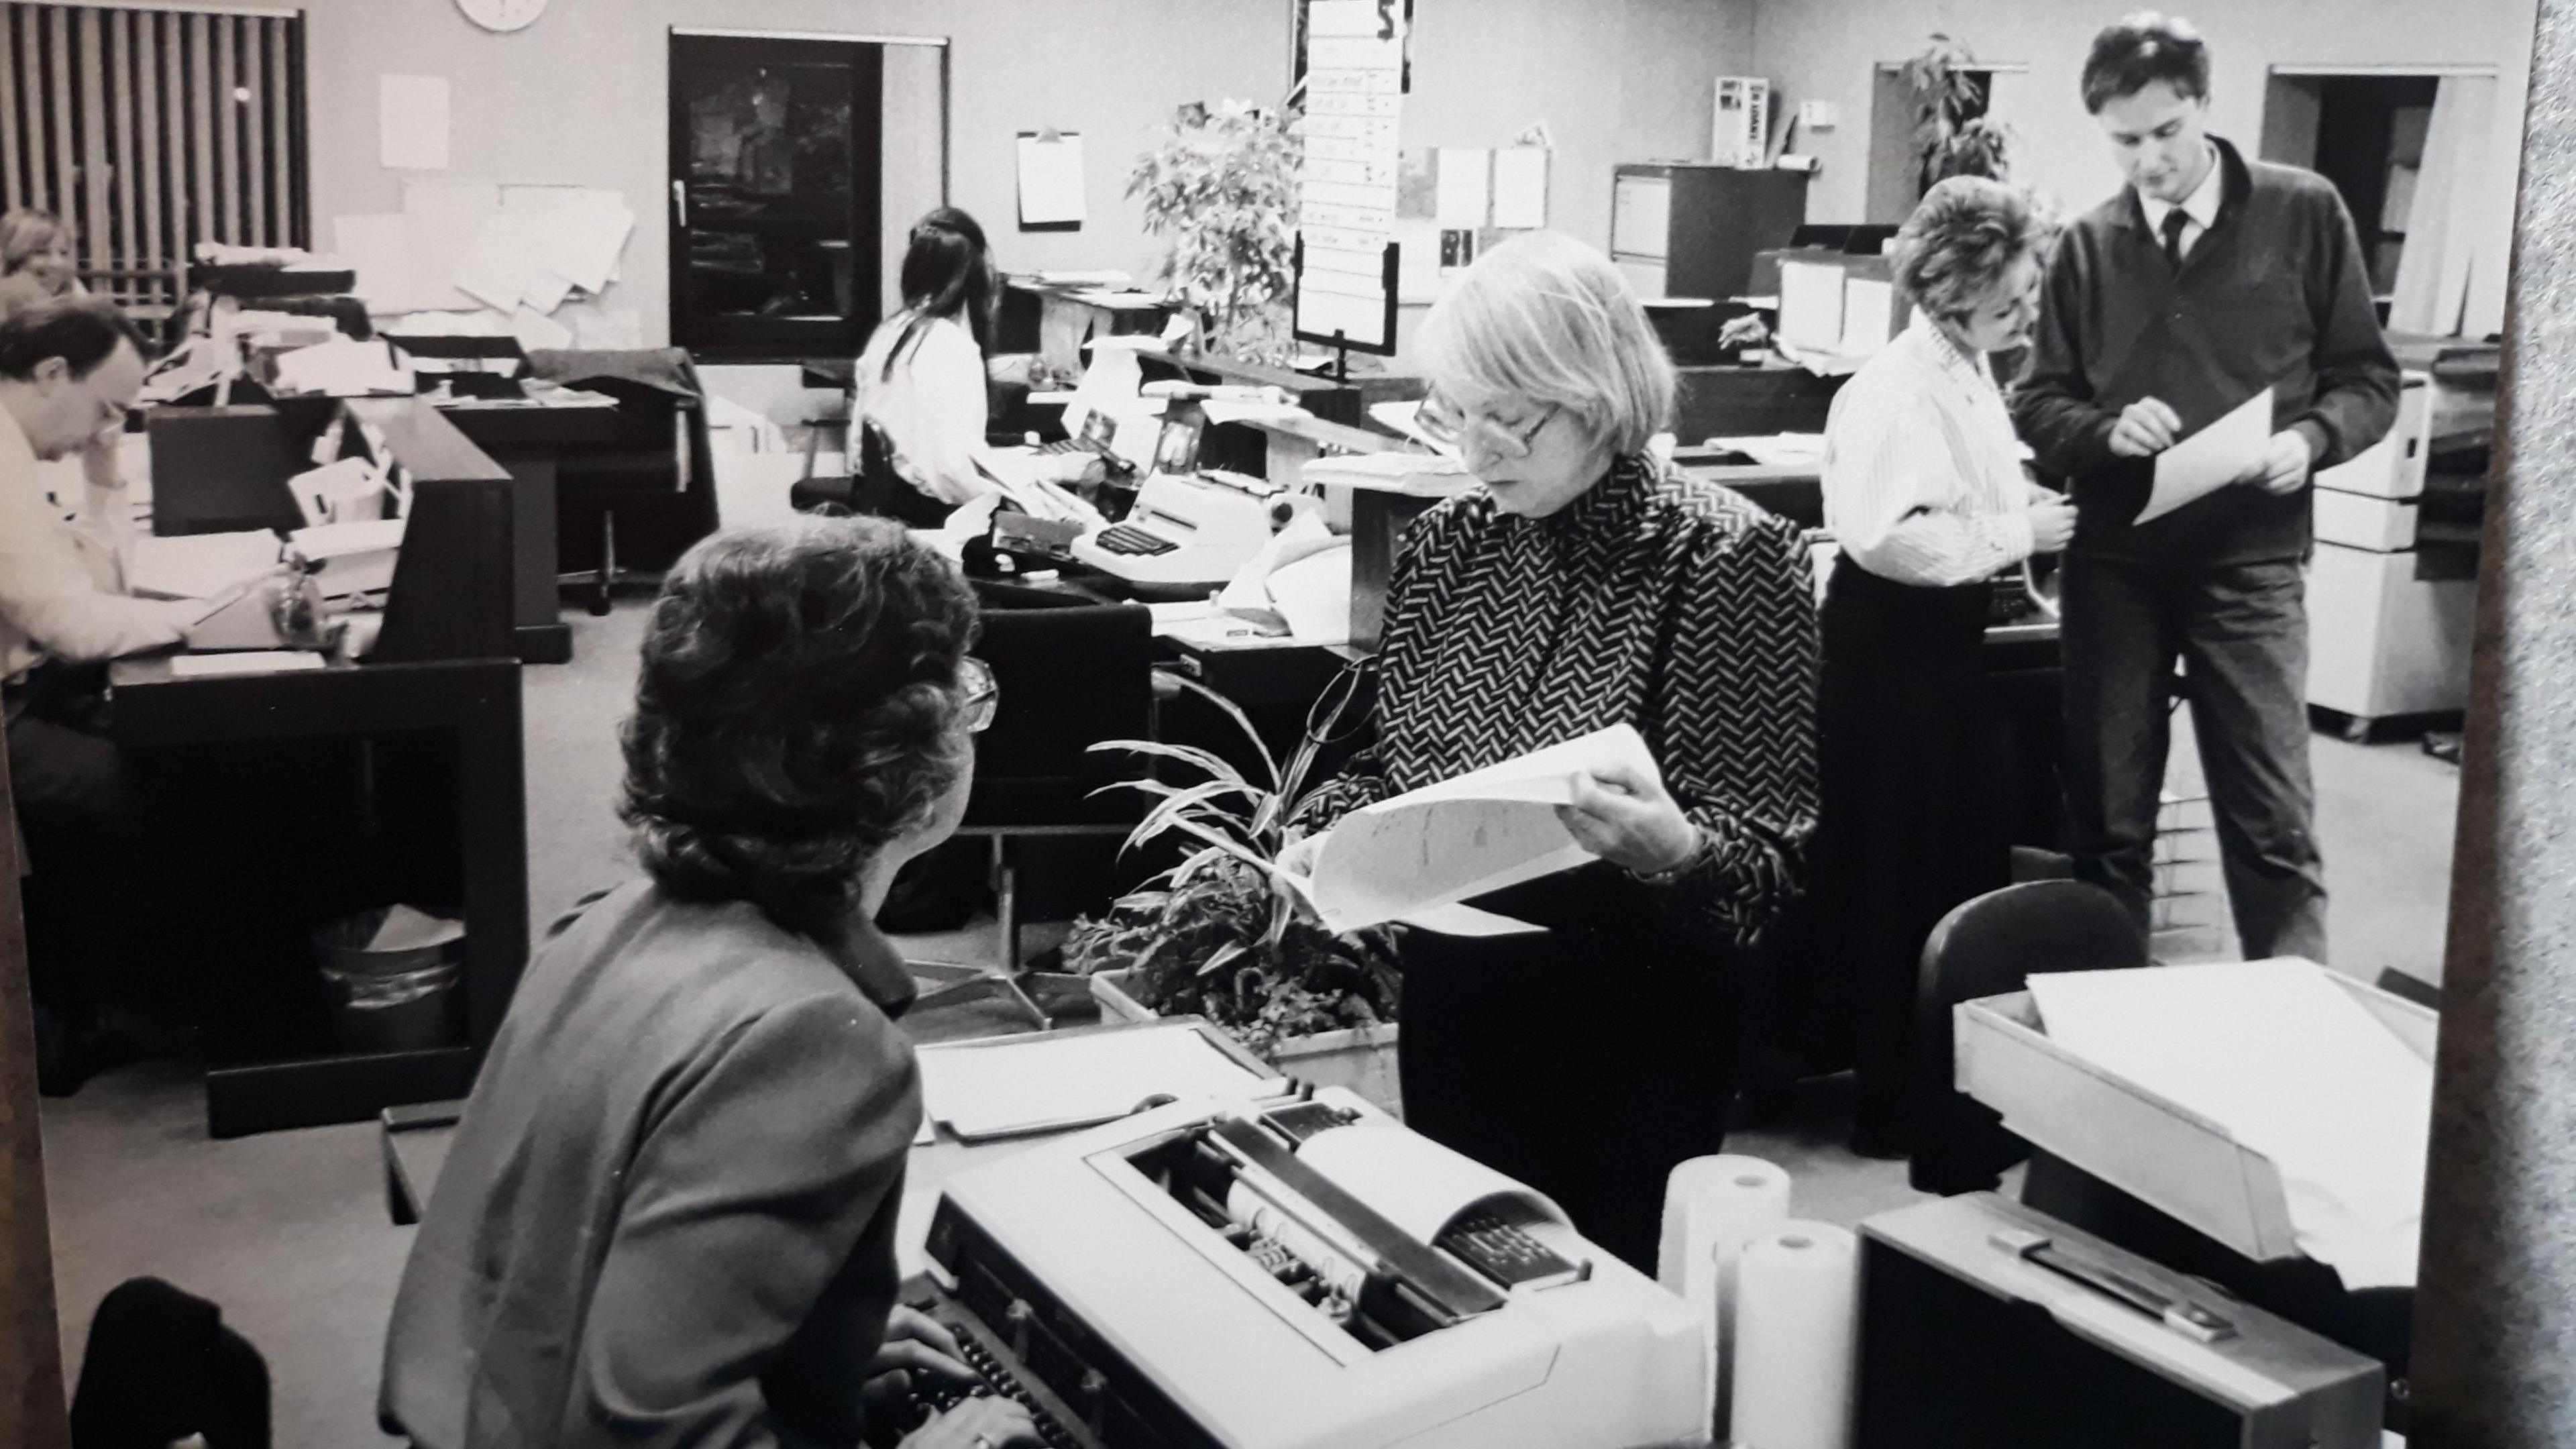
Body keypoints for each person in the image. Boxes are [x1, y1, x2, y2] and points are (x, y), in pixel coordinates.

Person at [380, 518, 1038, 1449]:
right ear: (910, 763)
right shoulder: (812, 1040)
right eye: (962, 694)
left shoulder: (603, 923)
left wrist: (809, 1350)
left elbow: (566, 1277)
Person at [1283, 231, 1819, 1273]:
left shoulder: (1724, 556)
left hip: (1630, 1024)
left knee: (1595, 1321)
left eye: (1509, 418)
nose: (1478, 451)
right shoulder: (1447, 546)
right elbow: (1393, 767)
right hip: (1459, 1004)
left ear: (1599, 394)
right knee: (1462, 1293)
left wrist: (1671, 849)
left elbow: (1770, 879)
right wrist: (1324, 833)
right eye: (1457, 414)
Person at [2014, 13, 2396, 962]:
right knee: (2109, 823)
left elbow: (2369, 380)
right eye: (2125, 142)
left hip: (2250, 563)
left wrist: (2312, 439)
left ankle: (2296, 1024)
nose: (2149, 162)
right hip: (2115, 568)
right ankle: (2103, 1030)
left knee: (2271, 819)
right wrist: (2105, 431)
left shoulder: (2304, 212)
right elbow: (2037, 402)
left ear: (2205, 107)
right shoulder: (2087, 247)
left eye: (2166, 133)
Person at [1811, 177, 2076, 1159]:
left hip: (1936, 651)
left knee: (1940, 865)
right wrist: (2019, 528)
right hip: (1895, 654)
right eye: (2009, 298)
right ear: (1954, 291)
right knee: (1898, 874)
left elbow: (1954, 485)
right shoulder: (1895, 387)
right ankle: (1892, 1103)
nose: (2026, 311)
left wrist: (2013, 503)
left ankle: (1928, 1085)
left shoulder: (1962, 365)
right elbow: (1891, 538)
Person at [0, 297, 200, 1095]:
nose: (101, 428)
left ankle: (96, 998)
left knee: (139, 740)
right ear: (53, 374)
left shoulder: (22, 450)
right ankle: (72, 1021)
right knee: (132, 785)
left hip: (22, 684)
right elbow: (76, 623)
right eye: (104, 409)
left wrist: (103, 468)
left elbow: (101, 581)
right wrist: (205, 619)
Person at [851, 207, 1012, 521]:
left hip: (890, 506)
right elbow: (951, 472)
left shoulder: (891, 331)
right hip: (930, 513)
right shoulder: (951, 347)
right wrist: (1014, 492)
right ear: (977, 277)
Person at [0, 208, 85, 321]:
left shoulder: (70, 285)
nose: (57, 263)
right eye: (41, 252)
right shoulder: (12, 290)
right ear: (13, 256)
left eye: (63, 253)